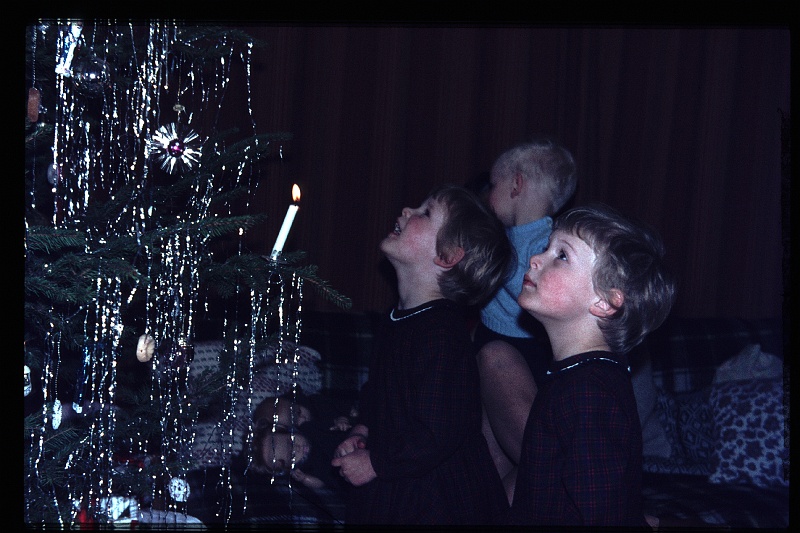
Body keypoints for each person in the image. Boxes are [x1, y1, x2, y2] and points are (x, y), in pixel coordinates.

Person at [331, 184, 512, 525]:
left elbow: (438, 431)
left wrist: (376, 463)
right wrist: (362, 431)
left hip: (436, 499)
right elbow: (380, 392)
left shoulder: (441, 334)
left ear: (448, 256)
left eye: (425, 213)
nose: (406, 211)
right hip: (401, 477)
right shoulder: (398, 318)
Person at [507, 203, 676, 527]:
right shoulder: (576, 376)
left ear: (604, 302)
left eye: (562, 255)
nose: (535, 258)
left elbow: (602, 516)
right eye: (547, 246)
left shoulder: (589, 395)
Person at [474, 138, 578, 500]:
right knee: (491, 475)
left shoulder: (550, 244)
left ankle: (582, 500)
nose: (489, 193)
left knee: (538, 465)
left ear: (516, 185)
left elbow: (535, 289)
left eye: (494, 183)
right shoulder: (504, 238)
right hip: (496, 348)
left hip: (526, 356)